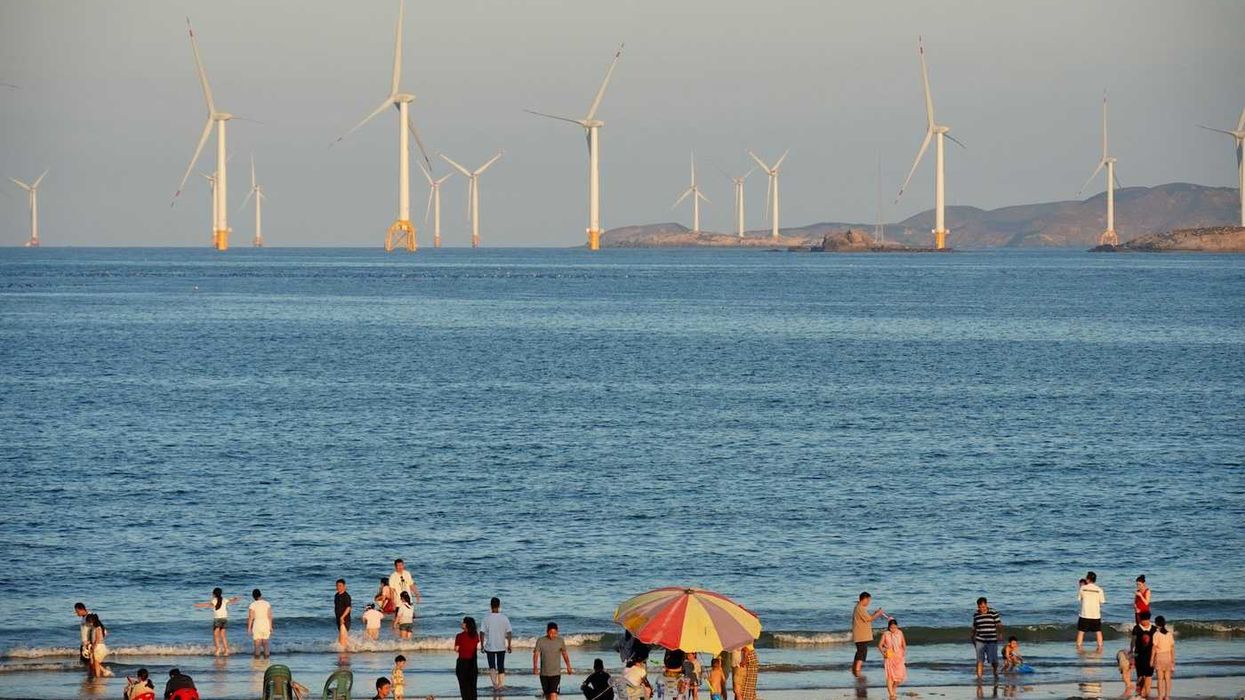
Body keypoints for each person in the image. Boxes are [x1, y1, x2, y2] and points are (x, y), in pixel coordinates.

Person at [193, 587, 240, 656]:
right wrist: (236, 598)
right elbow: (232, 601)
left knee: (216, 635)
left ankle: (218, 650)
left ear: (214, 594)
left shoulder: (214, 600)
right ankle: (226, 650)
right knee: (223, 635)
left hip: (217, 619)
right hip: (224, 619)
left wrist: (198, 605)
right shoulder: (224, 600)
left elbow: (207, 605)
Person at [533, 621, 573, 700]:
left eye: (555, 633)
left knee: (553, 695)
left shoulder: (560, 641)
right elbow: (536, 654)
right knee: (548, 696)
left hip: (556, 674)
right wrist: (535, 667)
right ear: (547, 631)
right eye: (551, 632)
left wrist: (568, 666)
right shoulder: (540, 641)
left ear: (557, 632)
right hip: (544, 674)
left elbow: (564, 654)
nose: (552, 635)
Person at [481, 597, 514, 690]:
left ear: (490, 606)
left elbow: (482, 632)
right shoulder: (504, 618)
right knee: (501, 666)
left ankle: (495, 685)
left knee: (492, 666)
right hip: (501, 646)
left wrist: (482, 645)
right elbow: (509, 632)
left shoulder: (486, 618)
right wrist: (509, 644)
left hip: (490, 646)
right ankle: (501, 685)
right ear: (499, 606)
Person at [851, 592, 886, 676]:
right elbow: (868, 619)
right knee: (862, 653)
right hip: (861, 635)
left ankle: (854, 668)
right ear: (865, 599)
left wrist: (875, 613)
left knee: (859, 652)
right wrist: (878, 614)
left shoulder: (859, 607)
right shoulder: (860, 608)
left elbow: (867, 618)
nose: (869, 602)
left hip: (860, 635)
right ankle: (857, 670)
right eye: (869, 600)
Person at [971, 597, 1003, 679]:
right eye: (980, 607)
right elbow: (975, 626)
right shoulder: (976, 614)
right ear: (978, 606)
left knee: (993, 660)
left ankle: (995, 673)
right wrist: (973, 636)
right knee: (979, 660)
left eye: (983, 607)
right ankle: (979, 678)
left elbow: (999, 624)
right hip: (980, 640)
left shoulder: (993, 612)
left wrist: (1000, 634)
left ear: (986, 605)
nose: (982, 609)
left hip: (991, 640)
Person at [1076, 571, 1106, 651]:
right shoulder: (1099, 589)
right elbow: (1102, 602)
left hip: (1084, 613)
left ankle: (1079, 648)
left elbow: (1080, 599)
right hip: (1095, 614)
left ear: (1088, 579)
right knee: (1098, 632)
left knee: (1081, 632)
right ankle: (1100, 648)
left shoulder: (1083, 588)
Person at [878, 618, 906, 700]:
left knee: (899, 677)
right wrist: (883, 653)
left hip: (899, 656)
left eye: (894, 627)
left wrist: (903, 653)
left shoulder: (900, 633)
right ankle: (891, 694)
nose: (893, 629)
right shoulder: (886, 634)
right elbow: (880, 645)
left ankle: (893, 689)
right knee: (890, 676)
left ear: (897, 626)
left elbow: (904, 644)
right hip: (889, 656)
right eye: (891, 627)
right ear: (888, 627)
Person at [1130, 611, 1156, 697]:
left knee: (1148, 676)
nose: (1145, 622)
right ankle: (1140, 692)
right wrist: (1132, 652)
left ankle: (1147, 693)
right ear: (1140, 620)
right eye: (1143, 620)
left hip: (1150, 655)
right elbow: (1133, 641)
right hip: (1139, 655)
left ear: (1149, 619)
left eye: (1146, 620)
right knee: (1140, 675)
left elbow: (1156, 644)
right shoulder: (1136, 628)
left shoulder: (1154, 629)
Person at [455, 616, 481, 700]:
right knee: (473, 687)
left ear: (466, 625)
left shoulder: (459, 636)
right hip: (473, 663)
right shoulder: (475, 636)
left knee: (464, 688)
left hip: (462, 663)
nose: (461, 623)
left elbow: (456, 649)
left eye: (463, 622)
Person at [1151, 615, 1175, 700]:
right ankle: (1167, 696)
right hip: (1168, 656)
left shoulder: (1156, 634)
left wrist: (1151, 660)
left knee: (1160, 679)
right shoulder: (1169, 634)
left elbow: (1154, 648)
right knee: (1168, 679)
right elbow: (1172, 647)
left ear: (1157, 624)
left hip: (1159, 657)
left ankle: (1160, 696)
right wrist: (1173, 660)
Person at [247, 588, 274, 658]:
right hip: (266, 625)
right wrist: (271, 627)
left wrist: (249, 628)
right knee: (266, 644)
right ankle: (266, 661)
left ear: (253, 596)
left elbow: (251, 617)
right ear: (260, 595)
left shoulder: (252, 605)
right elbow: (270, 616)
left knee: (257, 645)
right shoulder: (267, 603)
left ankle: (257, 662)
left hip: (257, 625)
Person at [84, 613, 111, 678]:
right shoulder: (95, 628)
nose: (87, 623)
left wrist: (94, 646)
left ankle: (99, 676)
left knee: (95, 663)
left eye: (88, 622)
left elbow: (98, 639)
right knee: (94, 663)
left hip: (99, 647)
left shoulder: (97, 628)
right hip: (98, 646)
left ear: (92, 621)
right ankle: (104, 672)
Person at [335, 579, 353, 648]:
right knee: (341, 639)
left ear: (344, 586)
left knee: (342, 640)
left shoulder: (346, 596)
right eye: (337, 586)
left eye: (340, 586)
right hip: (338, 619)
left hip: (345, 619)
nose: (338, 587)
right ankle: (346, 652)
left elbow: (349, 608)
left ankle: (344, 656)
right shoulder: (336, 595)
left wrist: (342, 617)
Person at [74, 602, 92, 667]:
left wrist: (90, 642)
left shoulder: (89, 617)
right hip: (84, 644)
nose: (76, 613)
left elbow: (94, 629)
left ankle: (94, 675)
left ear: (81, 609)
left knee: (88, 662)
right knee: (84, 662)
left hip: (88, 644)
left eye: (77, 611)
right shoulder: (84, 617)